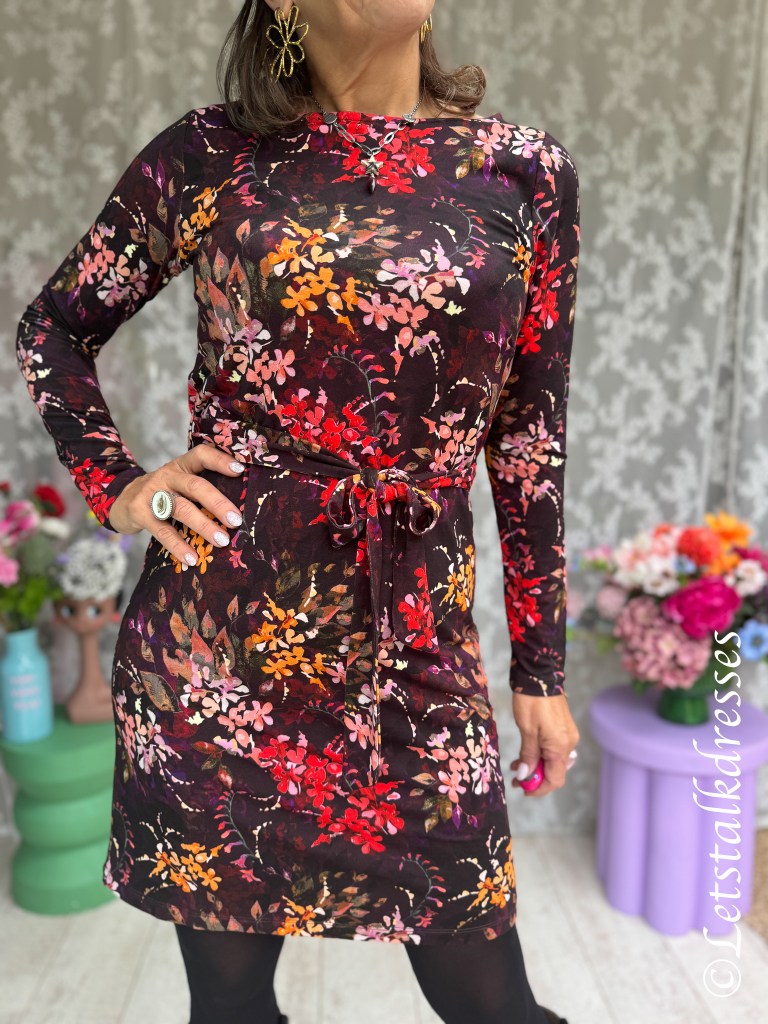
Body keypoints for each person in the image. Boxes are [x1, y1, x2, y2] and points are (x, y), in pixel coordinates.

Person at [15, 1, 581, 1021]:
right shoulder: (209, 155)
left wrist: (539, 668)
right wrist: (121, 484)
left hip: (416, 646)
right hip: (221, 653)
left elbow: (529, 438)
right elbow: (55, 326)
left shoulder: (524, 172)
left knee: (495, 1005)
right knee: (231, 1008)